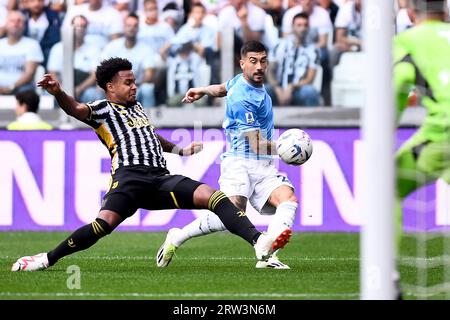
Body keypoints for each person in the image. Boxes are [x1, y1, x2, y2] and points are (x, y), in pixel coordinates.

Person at [11, 57, 292, 272]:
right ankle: (46, 259)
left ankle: (259, 242)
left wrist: (179, 150)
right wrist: (58, 92)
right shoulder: (102, 109)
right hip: (129, 180)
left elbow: (150, 135)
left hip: (159, 178)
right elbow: (74, 109)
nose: (134, 86)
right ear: (111, 87)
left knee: (213, 196)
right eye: (128, 82)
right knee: (102, 226)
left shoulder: (136, 107)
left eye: (134, 81)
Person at [156, 41, 299, 269]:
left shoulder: (238, 81)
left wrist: (201, 90)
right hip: (239, 163)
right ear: (243, 63)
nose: (259, 66)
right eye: (253, 61)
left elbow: (222, 88)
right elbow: (255, 144)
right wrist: (284, 149)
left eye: (263, 61)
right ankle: (177, 236)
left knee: (288, 199)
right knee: (232, 214)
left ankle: (269, 256)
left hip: (264, 166)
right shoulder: (242, 98)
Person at [393, 0, 450, 295]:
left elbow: (399, 84)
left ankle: (387, 278)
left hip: (443, 137)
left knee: (386, 187)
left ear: (412, 15)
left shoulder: (409, 40)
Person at [267, 12, 321, 106]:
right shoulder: (279, 45)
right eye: (299, 25)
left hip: (298, 90)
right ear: (293, 27)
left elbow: (310, 79)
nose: (302, 28)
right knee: (262, 91)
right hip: (278, 89)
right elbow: (270, 72)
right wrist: (278, 89)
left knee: (311, 92)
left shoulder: (313, 50)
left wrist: (291, 87)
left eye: (305, 25)